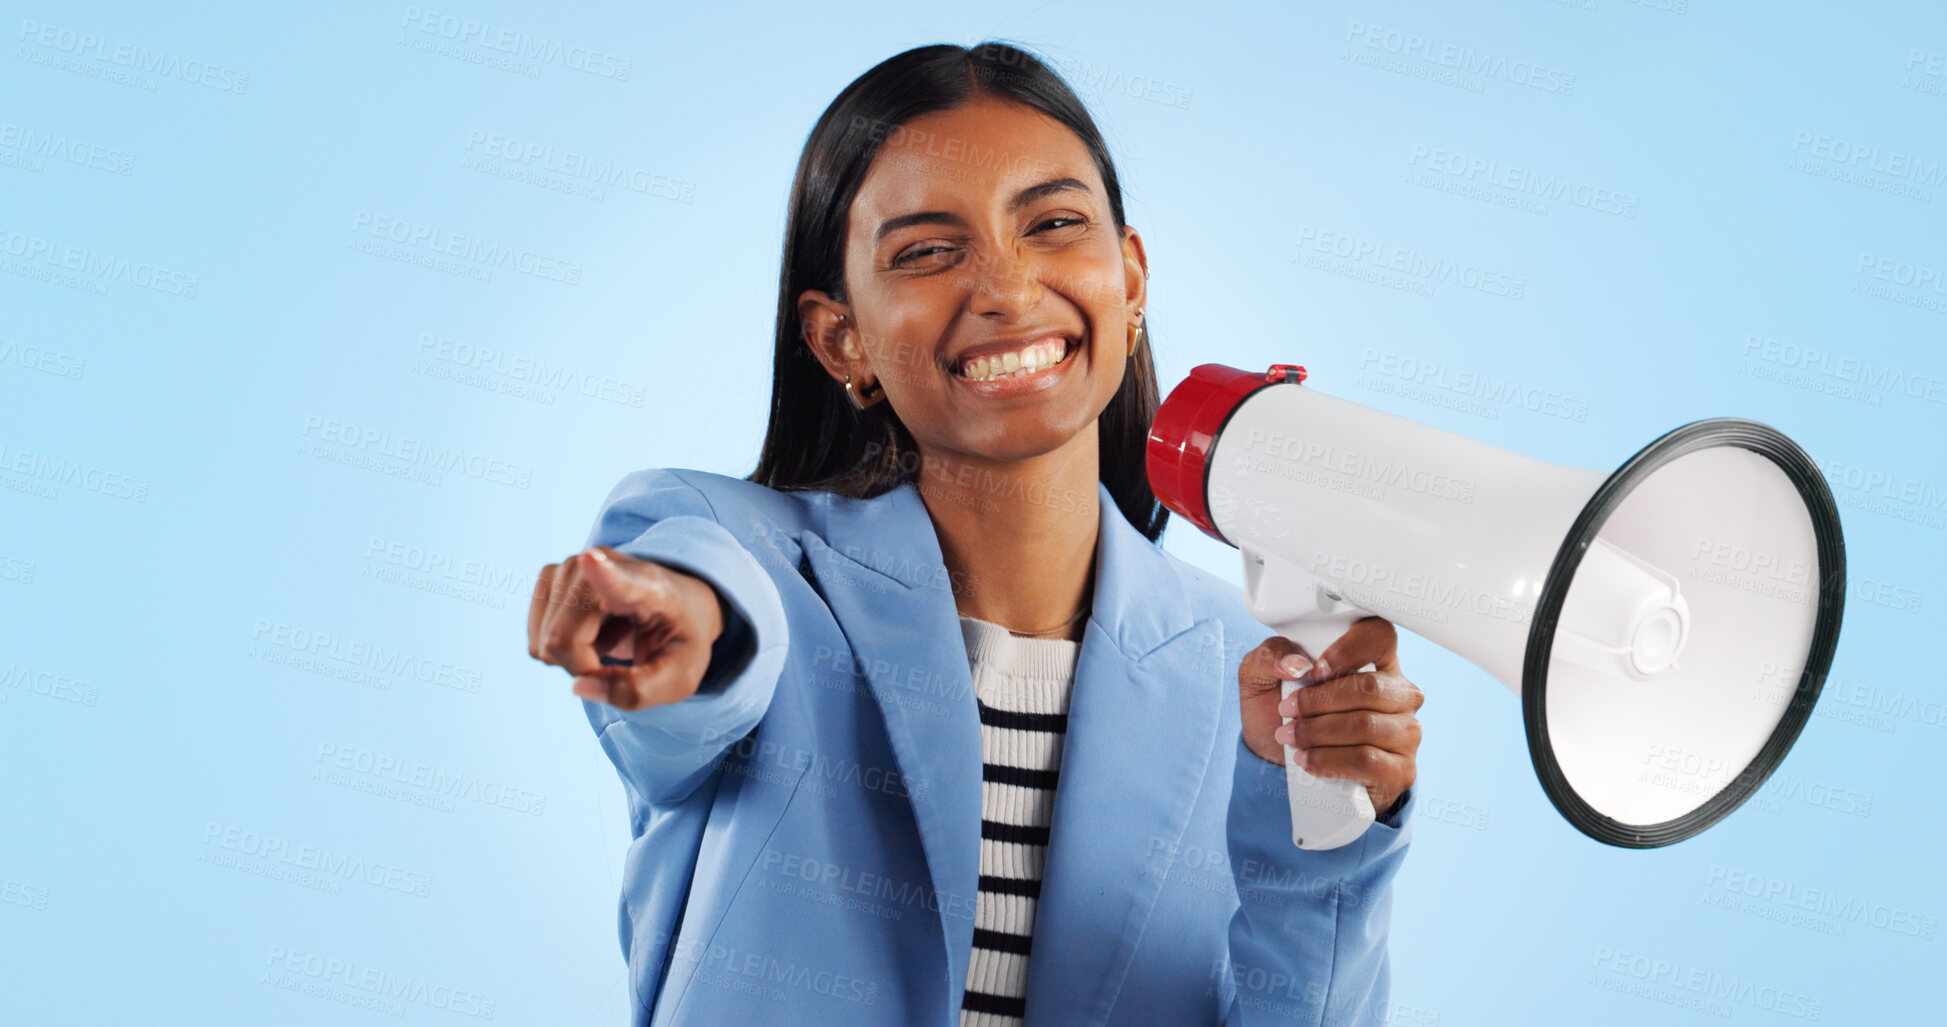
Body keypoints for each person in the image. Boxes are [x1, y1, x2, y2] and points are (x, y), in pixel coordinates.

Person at [527, 41, 1425, 1027]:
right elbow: (714, 603)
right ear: (843, 340)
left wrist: (1330, 828)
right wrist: (693, 625)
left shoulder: (1255, 675)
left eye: (1054, 224)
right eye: (925, 249)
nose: (1005, 286)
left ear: (1129, 281)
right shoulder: (742, 560)